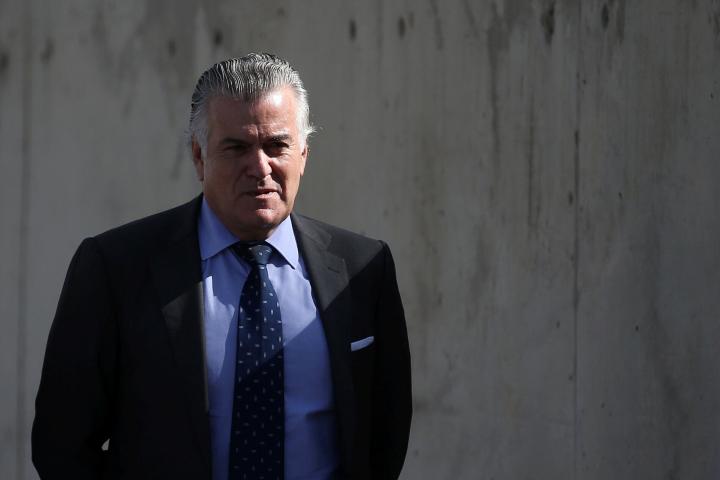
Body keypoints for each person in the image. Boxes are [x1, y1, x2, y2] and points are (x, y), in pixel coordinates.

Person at [31, 53, 412, 480]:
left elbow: (386, 433)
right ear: (199, 156)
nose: (260, 167)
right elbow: (61, 443)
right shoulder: (116, 268)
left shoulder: (363, 269)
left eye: (277, 146)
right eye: (237, 147)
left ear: (304, 154)